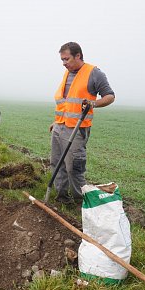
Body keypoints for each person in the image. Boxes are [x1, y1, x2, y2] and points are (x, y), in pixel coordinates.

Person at [50, 42, 115, 204]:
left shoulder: (94, 73)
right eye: (62, 60)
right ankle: (62, 199)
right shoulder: (67, 73)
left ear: (78, 55)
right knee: (57, 164)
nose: (64, 63)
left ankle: (81, 203)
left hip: (77, 129)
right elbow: (66, 102)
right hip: (60, 126)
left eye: (66, 59)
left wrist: (94, 103)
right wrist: (57, 122)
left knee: (74, 168)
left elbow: (110, 96)